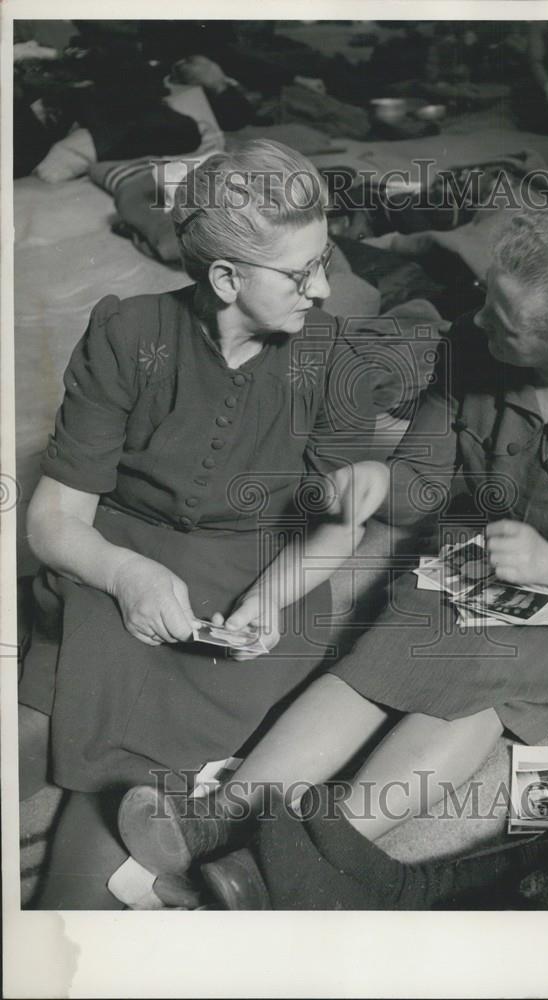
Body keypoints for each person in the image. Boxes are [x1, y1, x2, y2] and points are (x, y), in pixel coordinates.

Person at [118, 206, 548, 889]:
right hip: (486, 563)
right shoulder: (468, 344)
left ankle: (290, 860)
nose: (477, 319)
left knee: (483, 670)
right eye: (487, 295)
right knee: (396, 637)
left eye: (502, 319)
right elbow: (424, 482)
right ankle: (218, 817)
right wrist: (378, 482)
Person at [18, 140, 389, 909]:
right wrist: (127, 575)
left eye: (326, 260)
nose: (322, 289)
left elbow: (335, 532)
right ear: (224, 277)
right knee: (106, 664)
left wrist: (268, 601)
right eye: (299, 273)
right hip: (123, 548)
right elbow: (54, 518)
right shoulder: (128, 335)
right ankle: (85, 902)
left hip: (260, 567)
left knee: (226, 681)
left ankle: (115, 882)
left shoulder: (334, 356)